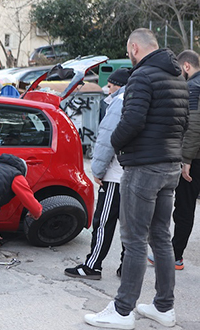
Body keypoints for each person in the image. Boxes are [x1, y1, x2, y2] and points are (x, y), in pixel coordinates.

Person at [84, 28, 189, 329]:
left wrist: (117, 144)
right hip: (170, 165)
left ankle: (122, 310)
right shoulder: (177, 76)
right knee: (160, 238)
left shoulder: (141, 76)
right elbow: (184, 122)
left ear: (133, 47)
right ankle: (164, 308)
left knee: (134, 240)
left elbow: (132, 120)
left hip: (144, 168)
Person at [64, 68, 130, 281]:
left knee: (103, 222)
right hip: (133, 174)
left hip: (115, 175)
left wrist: (98, 170)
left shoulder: (119, 101)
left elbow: (107, 139)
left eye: (109, 85)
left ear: (117, 85)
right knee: (131, 224)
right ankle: (127, 267)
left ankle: (92, 266)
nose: (107, 90)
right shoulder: (139, 98)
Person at [146, 50, 200, 272]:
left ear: (186, 66)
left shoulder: (194, 87)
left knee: (184, 208)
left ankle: (174, 256)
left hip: (195, 159)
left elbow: (194, 124)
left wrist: (186, 158)